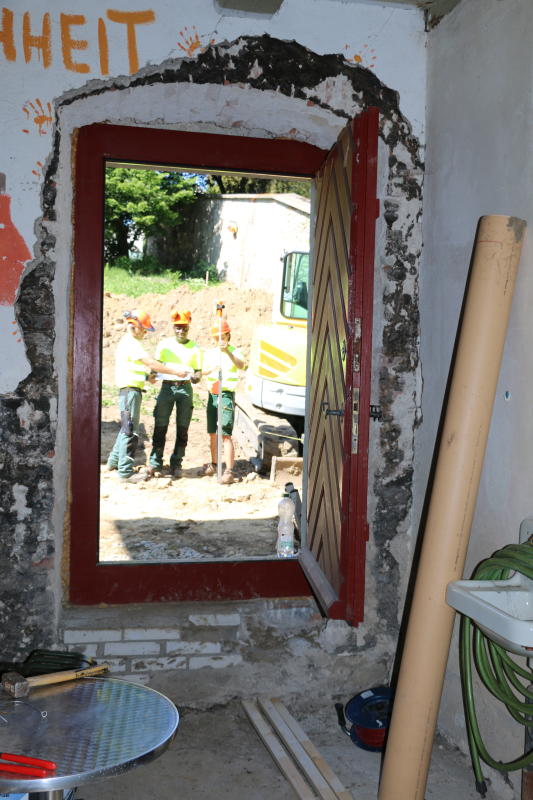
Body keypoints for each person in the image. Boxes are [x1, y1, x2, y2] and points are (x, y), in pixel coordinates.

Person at [106, 309, 188, 483]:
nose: (145, 332)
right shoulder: (132, 343)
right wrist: (175, 371)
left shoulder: (127, 342)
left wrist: (145, 377)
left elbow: (129, 368)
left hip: (130, 390)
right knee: (130, 431)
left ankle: (113, 462)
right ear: (134, 326)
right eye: (143, 329)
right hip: (130, 392)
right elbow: (151, 363)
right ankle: (126, 472)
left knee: (125, 428)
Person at [148, 310, 203, 478]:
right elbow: (156, 365)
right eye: (178, 328)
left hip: (185, 389)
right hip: (167, 388)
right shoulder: (164, 345)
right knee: (160, 424)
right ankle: (155, 462)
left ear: (189, 328)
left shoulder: (194, 348)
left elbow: (199, 371)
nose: (181, 331)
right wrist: (151, 375)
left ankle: (177, 463)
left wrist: (196, 378)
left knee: (183, 427)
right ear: (173, 328)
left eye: (184, 328)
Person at [202, 320, 245, 485]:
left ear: (228, 334)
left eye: (222, 336)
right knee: (212, 432)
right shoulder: (211, 353)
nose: (219, 339)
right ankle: (214, 464)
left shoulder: (235, 352)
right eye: (216, 336)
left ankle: (229, 471)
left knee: (225, 433)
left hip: (226, 394)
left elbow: (241, 365)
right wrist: (210, 370)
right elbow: (203, 370)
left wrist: (227, 352)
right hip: (213, 393)